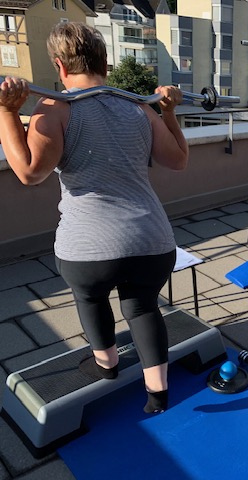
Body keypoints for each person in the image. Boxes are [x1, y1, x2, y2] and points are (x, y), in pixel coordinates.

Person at [0, 22, 189, 414]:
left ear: (59, 65)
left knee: (91, 298)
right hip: (151, 241)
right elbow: (179, 160)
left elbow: (30, 172)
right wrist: (169, 113)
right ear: (104, 62)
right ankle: (158, 395)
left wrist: (6, 112)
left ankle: (107, 367)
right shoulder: (138, 107)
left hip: (88, 249)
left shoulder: (53, 108)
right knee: (142, 308)